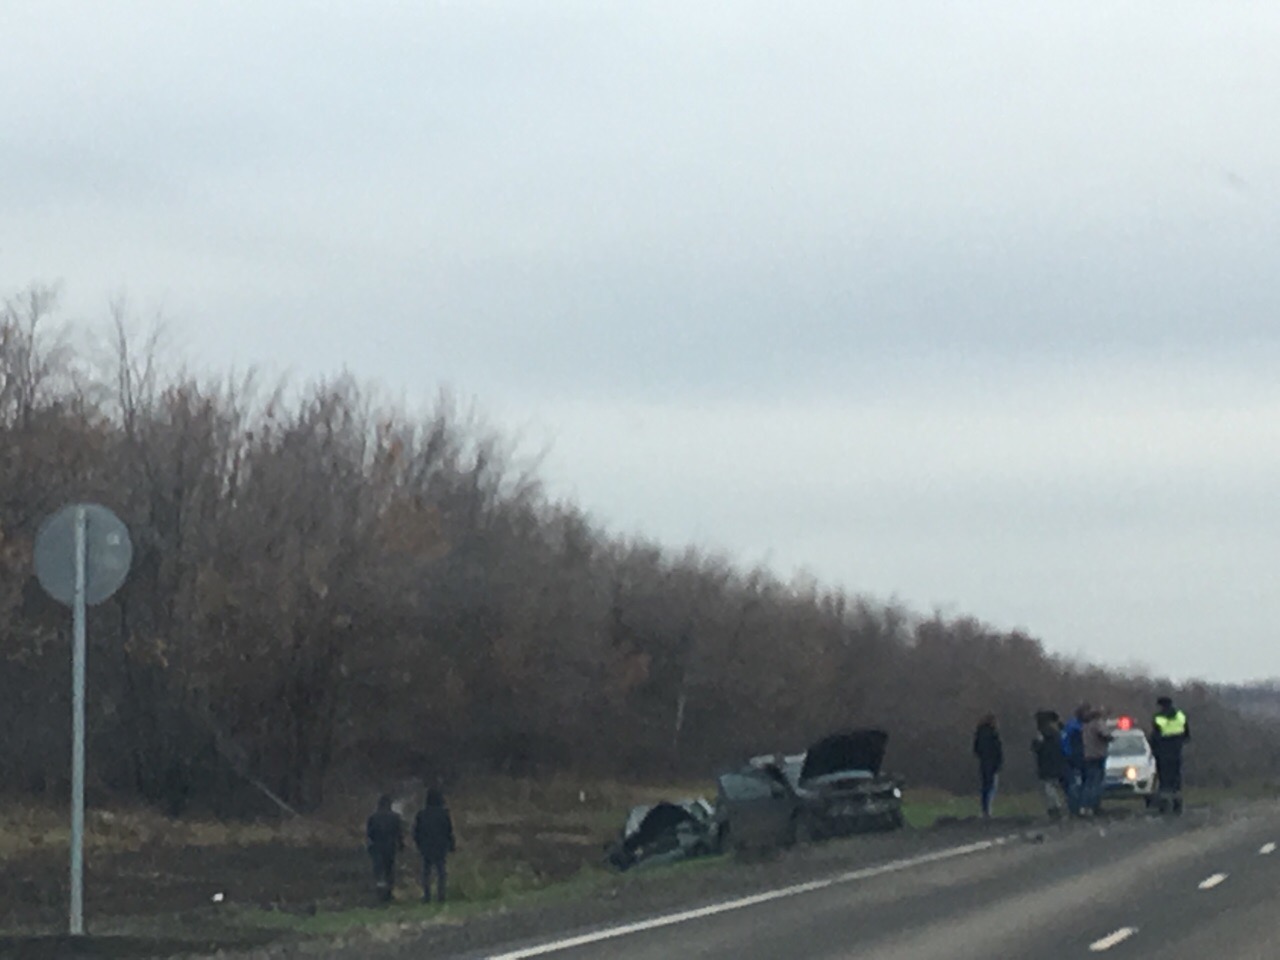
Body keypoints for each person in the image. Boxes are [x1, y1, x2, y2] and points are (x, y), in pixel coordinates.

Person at [413, 788, 457, 903]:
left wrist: (419, 844)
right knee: (441, 871)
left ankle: (427, 895)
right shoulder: (444, 814)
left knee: (426, 871)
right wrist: (451, 845)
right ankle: (441, 895)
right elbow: (448, 830)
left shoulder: (421, 814)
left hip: (426, 846)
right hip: (440, 846)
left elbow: (416, 832)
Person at [1150, 695, 1191, 814]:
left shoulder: (1158, 718)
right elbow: (1187, 735)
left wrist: (1154, 749)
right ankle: (1177, 803)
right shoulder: (1180, 716)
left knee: (1164, 779)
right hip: (1177, 751)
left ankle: (1165, 804)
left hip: (1163, 752)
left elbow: (1155, 737)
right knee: (1176, 777)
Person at [366, 794, 404, 903]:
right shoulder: (395, 817)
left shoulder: (373, 817)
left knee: (379, 871)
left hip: (377, 847)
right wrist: (401, 845)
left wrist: (370, 846)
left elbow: (370, 834)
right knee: (389, 870)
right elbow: (399, 833)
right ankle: (388, 893)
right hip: (390, 847)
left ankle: (380, 894)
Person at [1032, 711, 1068, 819]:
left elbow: (1036, 748)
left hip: (1046, 763)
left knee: (1048, 787)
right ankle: (1058, 806)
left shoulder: (1042, 734)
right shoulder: (1056, 733)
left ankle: (1054, 807)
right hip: (1056, 762)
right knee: (1053, 786)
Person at [1080, 707, 1114, 815]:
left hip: (1088, 756)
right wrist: (1110, 737)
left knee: (1088, 783)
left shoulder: (1085, 726)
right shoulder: (1097, 723)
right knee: (1096, 783)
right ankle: (1094, 806)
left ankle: (1084, 806)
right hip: (1098, 756)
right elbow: (1105, 735)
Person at [973, 714, 1003, 818]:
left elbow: (976, 749)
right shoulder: (994, 734)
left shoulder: (979, 734)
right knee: (992, 786)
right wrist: (999, 762)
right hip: (992, 763)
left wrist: (983, 756)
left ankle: (984, 809)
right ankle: (988, 809)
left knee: (985, 786)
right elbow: (998, 750)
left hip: (984, 762)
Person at [1060, 704, 1089, 816]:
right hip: (1075, 759)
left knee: (1074, 784)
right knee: (1076, 784)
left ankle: (1075, 808)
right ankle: (1076, 808)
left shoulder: (1070, 726)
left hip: (1071, 758)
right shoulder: (1076, 728)